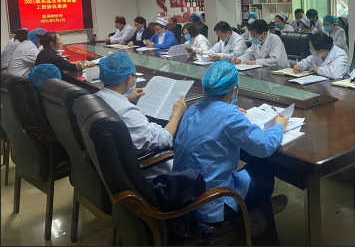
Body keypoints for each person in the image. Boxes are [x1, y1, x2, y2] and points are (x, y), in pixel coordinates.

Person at [172, 61, 289, 245]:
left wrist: (231, 112)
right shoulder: (229, 115)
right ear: (234, 89)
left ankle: (258, 208)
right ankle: (260, 220)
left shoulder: (192, 108)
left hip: (184, 196)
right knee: (264, 175)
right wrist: (279, 126)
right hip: (211, 204)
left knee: (252, 173)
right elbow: (265, 146)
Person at [95, 53, 187, 180]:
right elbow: (163, 139)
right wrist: (177, 114)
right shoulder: (127, 112)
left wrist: (126, 97)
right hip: (148, 172)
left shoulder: (96, 97)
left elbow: (113, 103)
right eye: (134, 76)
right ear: (128, 79)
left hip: (111, 164)